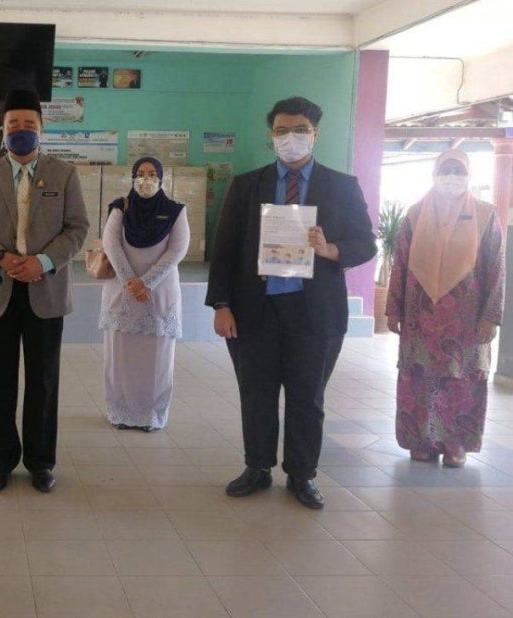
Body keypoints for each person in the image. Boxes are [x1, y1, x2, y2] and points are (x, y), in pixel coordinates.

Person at [206, 96, 376, 510]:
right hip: (254, 310)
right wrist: (221, 305)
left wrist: (330, 249)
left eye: (300, 130)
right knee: (256, 392)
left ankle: (302, 475)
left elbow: (366, 243)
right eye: (282, 131)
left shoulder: (342, 185)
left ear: (315, 134)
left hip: (314, 312)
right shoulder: (247, 185)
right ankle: (258, 467)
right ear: (271, 136)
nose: (290, 138)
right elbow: (225, 248)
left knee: (307, 396)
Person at [0, 88, 90, 493]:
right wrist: (2, 257)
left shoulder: (63, 174)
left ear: (42, 129)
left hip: (47, 289)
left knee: (43, 380)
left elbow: (77, 228)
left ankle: (41, 461)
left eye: (29, 125)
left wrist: (43, 261)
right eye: (13, 125)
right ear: (1, 131)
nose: (21, 131)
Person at [387, 150, 504, 468]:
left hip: (466, 319)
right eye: (445, 170)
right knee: (419, 378)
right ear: (434, 173)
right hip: (419, 314)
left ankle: (456, 444)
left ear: (468, 175)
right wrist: (393, 308)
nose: (451, 176)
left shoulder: (485, 214)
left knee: (461, 381)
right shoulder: (415, 213)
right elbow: (400, 263)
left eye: (458, 170)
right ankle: (420, 440)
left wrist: (491, 316)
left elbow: (496, 267)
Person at [99, 157, 189, 431]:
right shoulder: (120, 208)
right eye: (140, 173)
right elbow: (111, 244)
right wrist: (131, 282)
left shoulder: (175, 211)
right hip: (122, 296)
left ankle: (152, 416)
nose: (146, 179)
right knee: (120, 356)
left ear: (161, 179)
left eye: (152, 174)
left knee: (157, 359)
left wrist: (146, 282)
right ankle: (121, 413)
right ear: (133, 177)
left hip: (159, 296)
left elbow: (177, 250)